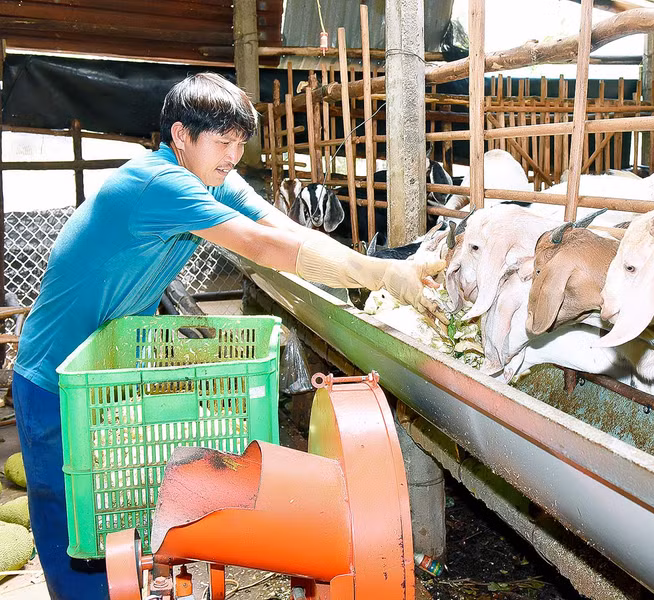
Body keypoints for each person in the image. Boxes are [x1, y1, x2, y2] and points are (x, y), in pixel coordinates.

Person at [11, 72, 443, 598]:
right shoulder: (158, 185)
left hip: (104, 365)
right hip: (53, 370)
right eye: (222, 141)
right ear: (180, 136)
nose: (233, 155)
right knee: (66, 510)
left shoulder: (212, 177)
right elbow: (260, 247)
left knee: (103, 500)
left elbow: (283, 230)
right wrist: (377, 277)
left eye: (240, 143)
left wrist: (378, 265)